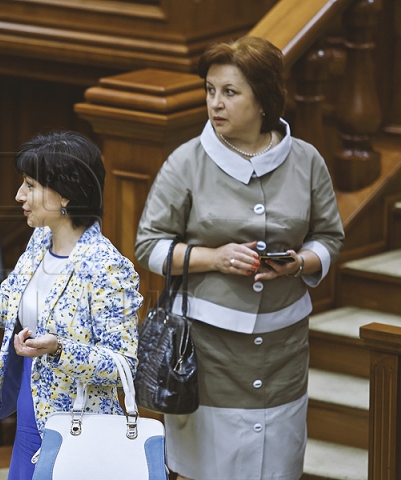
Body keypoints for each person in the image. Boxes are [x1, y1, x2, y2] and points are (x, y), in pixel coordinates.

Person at [135, 36, 345, 480]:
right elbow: (148, 246)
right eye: (210, 90)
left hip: (284, 346)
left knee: (276, 465)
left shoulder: (306, 160)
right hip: (206, 351)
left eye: (230, 92)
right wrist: (213, 257)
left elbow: (329, 236)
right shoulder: (186, 162)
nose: (216, 103)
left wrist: (301, 263)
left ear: (264, 99)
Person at [0, 130, 143, 480]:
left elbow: (122, 364)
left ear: (66, 193)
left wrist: (58, 350)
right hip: (29, 419)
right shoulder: (40, 242)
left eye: (30, 185)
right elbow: (8, 305)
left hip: (76, 432)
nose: (20, 195)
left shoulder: (107, 267)